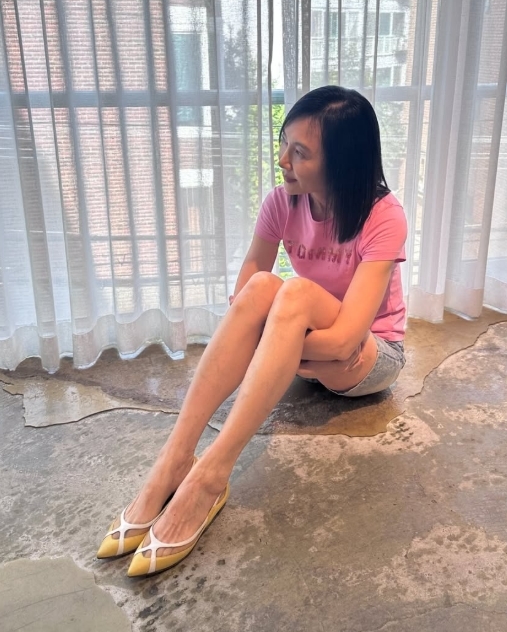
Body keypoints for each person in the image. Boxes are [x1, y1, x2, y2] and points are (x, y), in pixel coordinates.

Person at [97, 85, 407, 577]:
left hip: (371, 357)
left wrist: (277, 342)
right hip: (317, 351)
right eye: (284, 143)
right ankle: (175, 458)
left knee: (294, 294)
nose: (283, 160)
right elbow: (248, 291)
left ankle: (210, 477)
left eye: (300, 153)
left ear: (342, 163)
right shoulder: (283, 202)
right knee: (266, 286)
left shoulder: (383, 215)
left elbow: (347, 340)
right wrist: (273, 334)